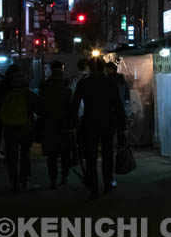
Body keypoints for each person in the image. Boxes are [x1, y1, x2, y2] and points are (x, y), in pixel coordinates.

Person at [72, 58, 126, 198]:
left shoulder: (84, 83)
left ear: (89, 68)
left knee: (91, 156)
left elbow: (75, 105)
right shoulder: (110, 83)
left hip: (89, 123)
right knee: (108, 154)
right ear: (103, 68)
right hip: (108, 122)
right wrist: (122, 125)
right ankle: (108, 183)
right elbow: (118, 104)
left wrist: (73, 123)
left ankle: (93, 187)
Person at [0, 70, 38, 191]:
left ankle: (14, 181)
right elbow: (39, 110)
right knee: (25, 154)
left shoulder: (8, 94)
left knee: (12, 157)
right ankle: (24, 180)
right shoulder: (30, 95)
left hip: (10, 129)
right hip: (26, 128)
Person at [38, 60, 73, 189]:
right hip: (63, 126)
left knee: (51, 156)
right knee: (65, 155)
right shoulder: (67, 91)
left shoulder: (45, 89)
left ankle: (53, 179)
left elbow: (40, 108)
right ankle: (64, 176)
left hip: (49, 126)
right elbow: (71, 109)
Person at [0, 64, 20, 159]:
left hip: (2, 111)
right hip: (12, 112)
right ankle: (8, 151)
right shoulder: (15, 86)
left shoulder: (1, 83)